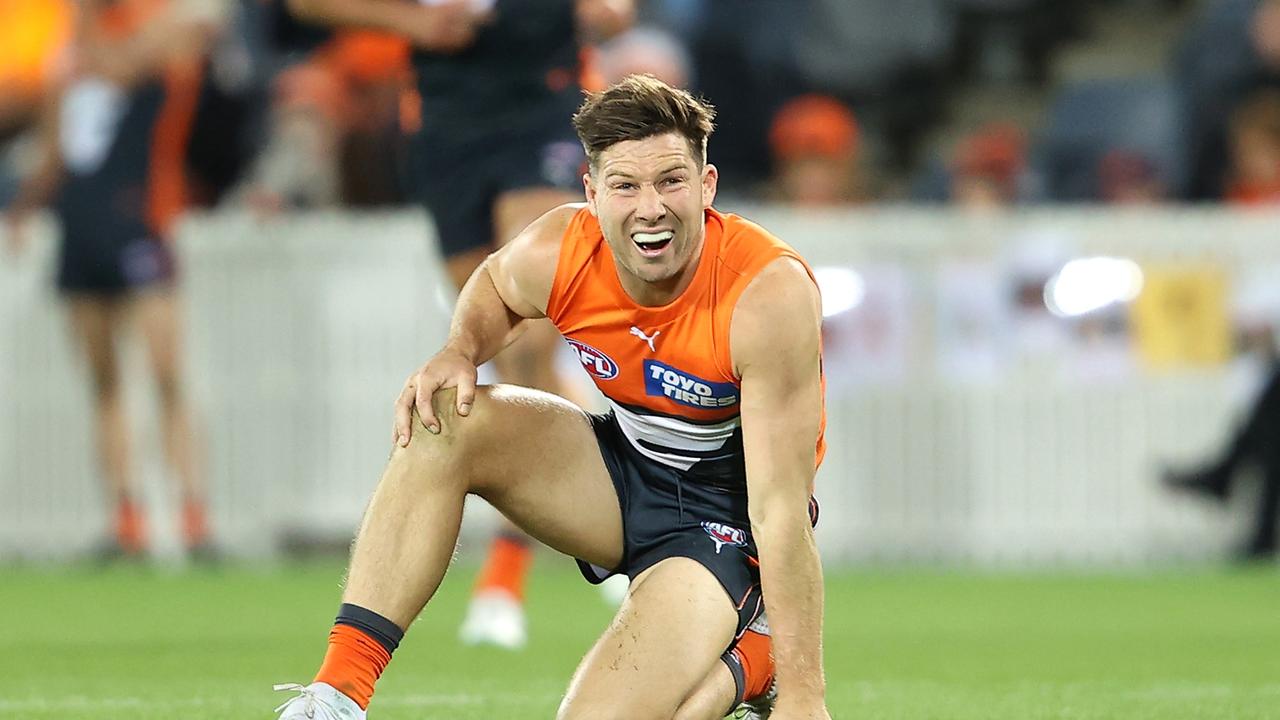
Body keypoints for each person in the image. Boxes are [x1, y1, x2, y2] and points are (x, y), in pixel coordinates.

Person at [273, 75, 831, 720]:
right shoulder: (562, 246)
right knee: (445, 418)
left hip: (725, 522)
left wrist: (805, 697)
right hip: (620, 474)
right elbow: (495, 286)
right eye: (625, 186)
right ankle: (337, 696)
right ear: (593, 195)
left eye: (671, 181)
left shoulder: (766, 293)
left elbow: (781, 514)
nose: (650, 207)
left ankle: (753, 655)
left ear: (706, 186)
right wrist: (460, 350)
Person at [285, 0, 635, 649]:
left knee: (530, 330)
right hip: (448, 122)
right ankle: (624, 521)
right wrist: (409, 22)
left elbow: (613, 12)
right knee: (499, 351)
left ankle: (507, 576)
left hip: (541, 102)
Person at [4, 0, 217, 560]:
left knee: (166, 372)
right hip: (82, 222)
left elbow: (130, 62)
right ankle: (126, 517)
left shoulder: (157, 30)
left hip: (141, 218)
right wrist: (26, 206)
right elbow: (57, 151)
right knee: (104, 381)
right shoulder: (70, 61)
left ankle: (193, 513)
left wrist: (78, 33)